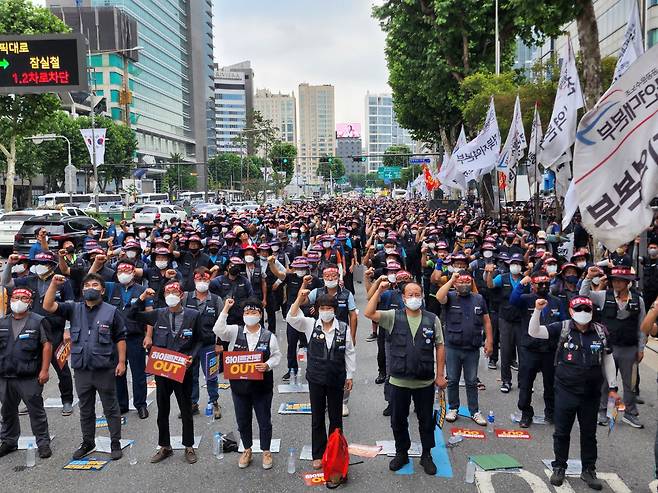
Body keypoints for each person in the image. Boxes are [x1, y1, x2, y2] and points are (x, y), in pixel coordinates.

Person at [529, 296, 619, 490]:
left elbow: (608, 358)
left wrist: (613, 385)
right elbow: (534, 331)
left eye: (587, 309)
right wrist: (537, 310)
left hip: (591, 393)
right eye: (579, 309)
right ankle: (559, 466)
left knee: (589, 433)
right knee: (562, 432)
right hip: (565, 390)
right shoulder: (562, 328)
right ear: (571, 311)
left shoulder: (600, 331)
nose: (583, 313)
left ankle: (588, 470)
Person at [365, 279, 446, 475]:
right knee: (398, 420)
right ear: (403, 298)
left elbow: (440, 346)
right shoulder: (393, 316)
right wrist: (379, 290)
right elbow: (369, 313)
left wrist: (440, 375)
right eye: (410, 295)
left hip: (425, 381)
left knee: (426, 420)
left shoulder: (431, 319)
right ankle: (402, 452)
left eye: (418, 294)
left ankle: (426, 454)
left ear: (423, 297)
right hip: (399, 380)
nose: (414, 298)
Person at [43, 273, 127, 461]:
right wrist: (54, 285)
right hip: (82, 369)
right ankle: (88, 442)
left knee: (111, 408)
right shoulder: (73, 308)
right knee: (86, 409)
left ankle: (115, 442)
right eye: (87, 285)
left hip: (104, 368)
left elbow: (120, 338)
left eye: (95, 284)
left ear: (102, 290)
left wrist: (121, 362)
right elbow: (48, 306)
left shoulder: (112, 311)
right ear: (82, 290)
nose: (90, 287)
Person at [286, 290, 355, 471]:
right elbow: (291, 318)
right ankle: (318, 454)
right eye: (322, 308)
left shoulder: (343, 328)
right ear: (317, 310)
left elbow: (350, 352)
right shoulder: (310, 325)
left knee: (335, 418)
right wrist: (299, 298)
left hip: (336, 377)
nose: (326, 311)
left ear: (334, 310)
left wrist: (350, 376)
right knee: (317, 418)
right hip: (316, 378)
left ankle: (335, 452)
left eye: (329, 308)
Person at [3, 252, 75, 416]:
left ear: (51, 266)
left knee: (61, 368)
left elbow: (70, 305)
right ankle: (32, 401)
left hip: (56, 331)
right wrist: (9, 264)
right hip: (33, 331)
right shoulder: (29, 280)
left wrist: (67, 330)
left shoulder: (62, 282)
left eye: (43, 263)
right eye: (36, 263)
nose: (39, 266)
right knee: (33, 369)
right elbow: (6, 282)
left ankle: (67, 400)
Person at [213, 297, 281, 470]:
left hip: (262, 387)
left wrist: (267, 365)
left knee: (264, 420)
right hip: (239, 387)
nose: (250, 315)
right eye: (247, 313)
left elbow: (277, 356)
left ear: (260, 315)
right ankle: (247, 449)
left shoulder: (268, 336)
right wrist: (226, 309)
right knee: (243, 420)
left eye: (254, 312)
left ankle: (266, 450)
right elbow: (218, 329)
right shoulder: (235, 331)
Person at [580, 266, 646, 429]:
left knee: (630, 383)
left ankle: (630, 413)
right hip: (608, 348)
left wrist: (641, 348)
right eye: (614, 280)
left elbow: (642, 326)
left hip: (630, 349)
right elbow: (583, 295)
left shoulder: (638, 300)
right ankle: (604, 411)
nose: (616, 283)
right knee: (606, 382)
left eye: (621, 281)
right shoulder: (604, 296)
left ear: (628, 283)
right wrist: (588, 277)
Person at [510, 271, 568, 427]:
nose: (543, 286)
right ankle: (526, 413)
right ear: (533, 285)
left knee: (551, 384)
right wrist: (522, 284)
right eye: (539, 284)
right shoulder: (526, 299)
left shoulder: (556, 301)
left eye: (546, 284)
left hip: (550, 349)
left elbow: (564, 322)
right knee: (526, 383)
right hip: (530, 348)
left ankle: (551, 413)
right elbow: (513, 300)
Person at [0, 288, 53, 459]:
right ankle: (9, 441)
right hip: (5, 375)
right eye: (16, 297)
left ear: (30, 302)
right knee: (7, 411)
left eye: (24, 298)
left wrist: (44, 370)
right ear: (10, 300)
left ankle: (43, 443)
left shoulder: (38, 321)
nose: (19, 301)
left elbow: (47, 345)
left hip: (29, 376)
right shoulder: (2, 323)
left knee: (35, 411)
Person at [437, 271, 493, 426]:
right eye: (460, 282)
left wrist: (490, 341)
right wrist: (451, 280)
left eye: (467, 282)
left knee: (471, 381)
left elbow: (486, 321)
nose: (464, 285)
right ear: (455, 284)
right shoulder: (450, 297)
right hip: (453, 346)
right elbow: (439, 297)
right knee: (453, 379)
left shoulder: (478, 298)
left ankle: (474, 411)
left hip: (472, 348)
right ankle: (453, 408)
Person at [105, 259, 150, 419]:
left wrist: (149, 335)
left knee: (139, 373)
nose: (124, 274)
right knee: (118, 372)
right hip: (115, 338)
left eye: (127, 271)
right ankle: (121, 404)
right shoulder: (110, 288)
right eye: (120, 271)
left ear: (133, 273)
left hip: (135, 337)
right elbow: (90, 279)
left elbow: (149, 314)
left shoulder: (142, 289)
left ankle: (141, 405)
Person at [183, 267, 223, 419]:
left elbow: (221, 323)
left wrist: (219, 343)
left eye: (205, 279)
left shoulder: (216, 300)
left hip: (208, 344)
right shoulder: (186, 297)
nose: (202, 282)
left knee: (211, 375)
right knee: (191, 375)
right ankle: (193, 403)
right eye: (199, 279)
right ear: (194, 280)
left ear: (209, 280)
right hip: (190, 345)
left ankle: (214, 402)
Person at [486, 252, 525, 393]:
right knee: (506, 351)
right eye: (514, 263)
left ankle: (523, 382)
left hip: (521, 320)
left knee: (523, 352)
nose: (516, 266)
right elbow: (490, 285)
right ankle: (506, 381)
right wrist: (489, 274)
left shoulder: (525, 280)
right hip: (505, 319)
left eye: (519, 264)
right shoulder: (502, 278)